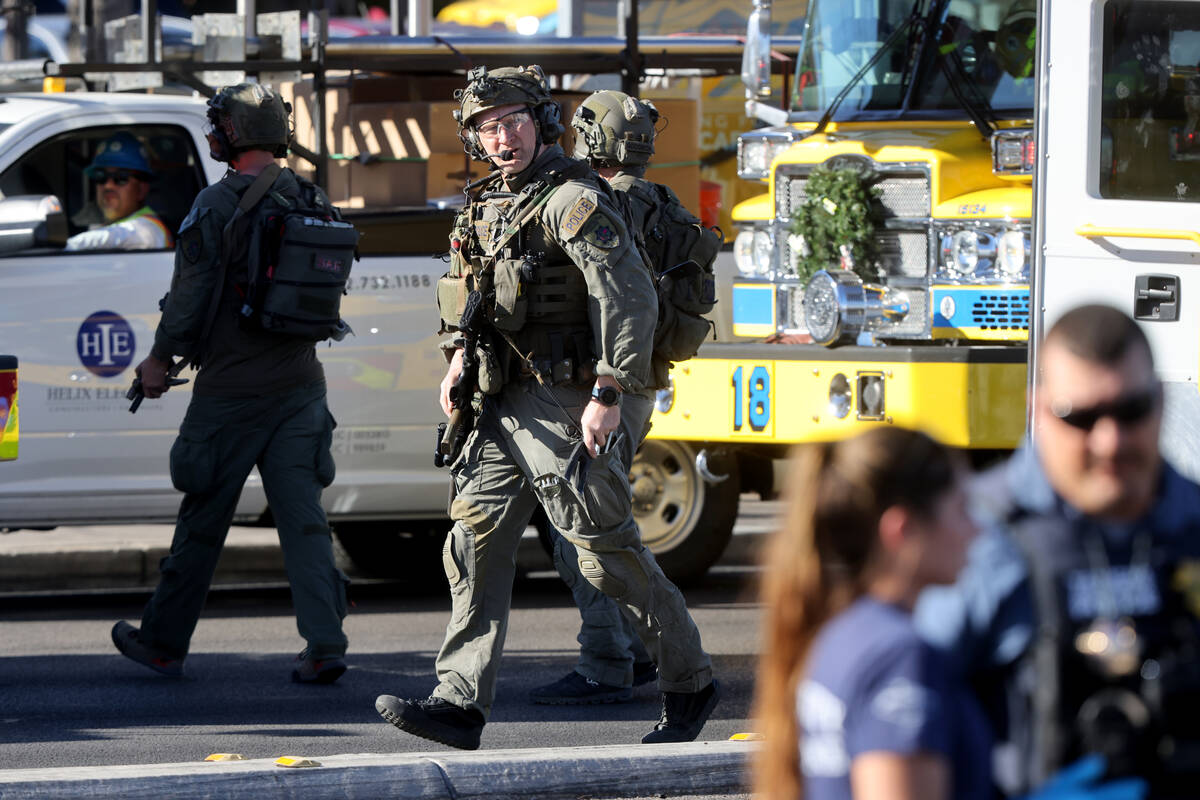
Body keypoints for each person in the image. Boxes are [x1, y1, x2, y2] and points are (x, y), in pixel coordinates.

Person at [374, 65, 718, 750]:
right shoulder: (490, 204)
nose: (502, 138)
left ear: (544, 122)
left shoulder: (571, 201)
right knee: (472, 544)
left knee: (604, 555)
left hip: (564, 400)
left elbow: (629, 301)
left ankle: (689, 680)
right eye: (487, 128)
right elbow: (472, 297)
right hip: (498, 402)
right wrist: (459, 361)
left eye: (513, 122)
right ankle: (459, 701)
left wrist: (608, 392)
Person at [111, 83, 350, 685]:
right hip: (301, 388)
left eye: (217, 125)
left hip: (230, 394)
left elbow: (189, 299)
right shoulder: (313, 196)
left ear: (234, 133)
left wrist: (160, 362)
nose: (213, 133)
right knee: (304, 522)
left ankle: (163, 641)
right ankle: (325, 645)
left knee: (203, 516)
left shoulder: (215, 206)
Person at [916, 304, 1199, 797]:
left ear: (1159, 401)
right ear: (1041, 409)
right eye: (1082, 417)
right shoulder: (978, 535)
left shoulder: (1192, 523)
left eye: (1130, 411)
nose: (1109, 441)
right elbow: (902, 730)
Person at [751, 427, 992, 800]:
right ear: (902, 529)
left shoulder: (839, 632)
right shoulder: (902, 656)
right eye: (961, 509)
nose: (976, 529)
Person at [526, 88, 671, 706]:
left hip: (600, 388)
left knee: (578, 532)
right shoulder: (661, 204)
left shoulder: (594, 203)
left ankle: (607, 659)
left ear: (591, 137)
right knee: (599, 523)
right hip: (636, 383)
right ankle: (636, 651)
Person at [65, 132, 172, 251]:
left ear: (141, 189)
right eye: (101, 176)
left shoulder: (149, 229)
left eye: (121, 177)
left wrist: (65, 248)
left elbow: (116, 236)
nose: (108, 185)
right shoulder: (101, 224)